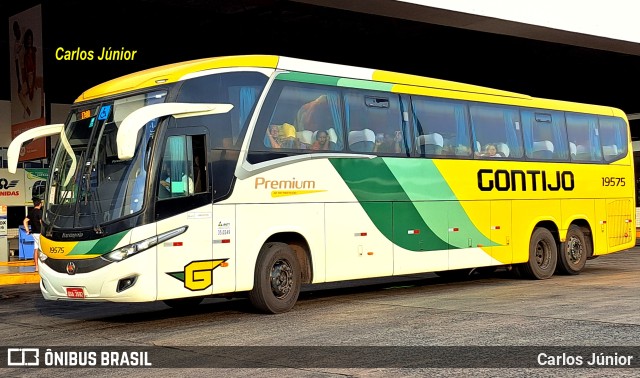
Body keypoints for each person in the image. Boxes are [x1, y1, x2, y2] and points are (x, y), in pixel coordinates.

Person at [23, 197, 43, 272]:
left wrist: (27, 230)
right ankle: (43, 265)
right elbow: (41, 222)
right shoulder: (40, 212)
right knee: (43, 249)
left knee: (36, 249)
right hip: (40, 233)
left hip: (34, 233)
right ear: (40, 204)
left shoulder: (31, 212)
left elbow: (25, 221)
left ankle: (36, 267)